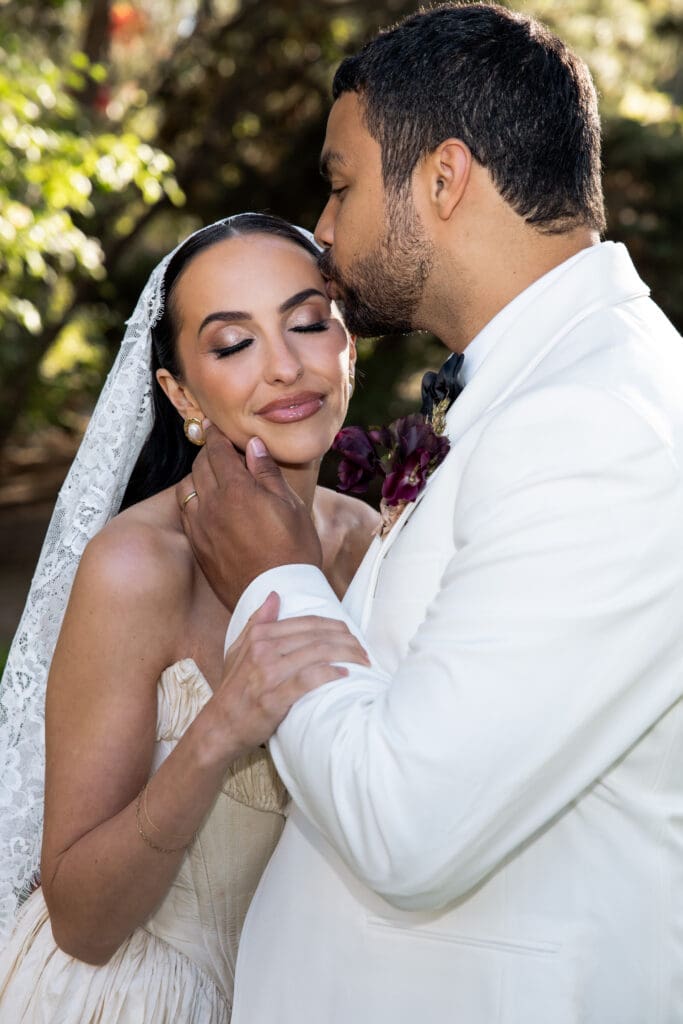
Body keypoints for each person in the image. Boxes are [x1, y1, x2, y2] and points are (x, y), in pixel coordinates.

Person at [179, 5, 683, 1023]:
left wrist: (278, 581)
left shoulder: (600, 422)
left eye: (339, 183)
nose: (322, 229)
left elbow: (405, 826)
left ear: (442, 178)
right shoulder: (550, 387)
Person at [0, 212, 377, 1022]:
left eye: (308, 324)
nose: (284, 368)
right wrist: (218, 731)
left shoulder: (373, 541)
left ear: (347, 344)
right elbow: (83, 922)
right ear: (180, 394)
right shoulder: (137, 568)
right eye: (234, 344)